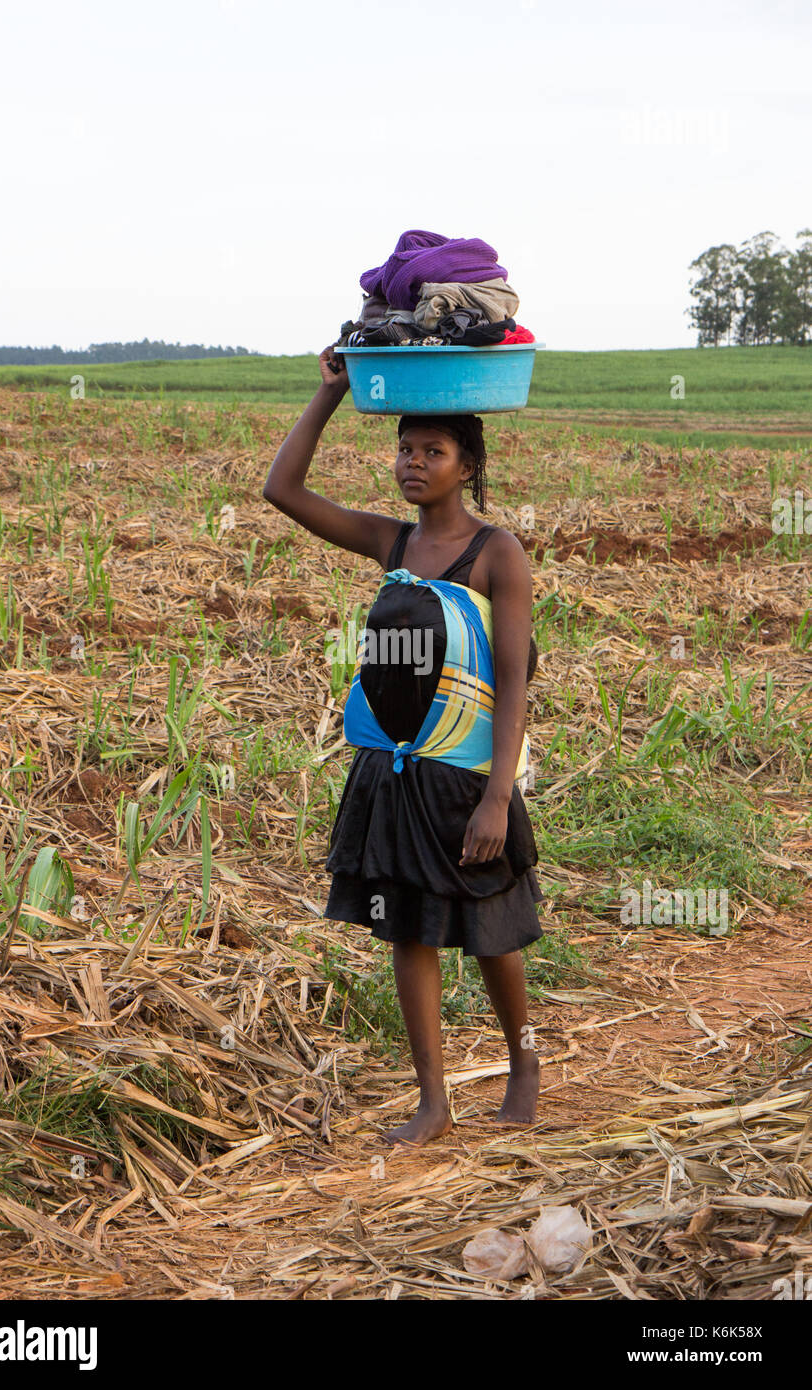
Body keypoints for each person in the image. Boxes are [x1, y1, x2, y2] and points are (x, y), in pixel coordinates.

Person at [262, 347, 545, 1146]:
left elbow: (516, 679)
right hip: (391, 768)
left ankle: (523, 1063)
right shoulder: (392, 544)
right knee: (407, 931)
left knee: (488, 928)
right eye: (405, 449)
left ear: (468, 466)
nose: (412, 464)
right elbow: (279, 491)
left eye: (433, 452)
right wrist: (330, 392)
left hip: (466, 771)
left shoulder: (498, 553)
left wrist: (499, 793)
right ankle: (435, 1100)